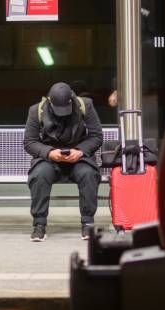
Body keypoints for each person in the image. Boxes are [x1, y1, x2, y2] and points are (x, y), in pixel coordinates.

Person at [23, 82, 103, 241]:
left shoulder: (85, 105)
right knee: (39, 175)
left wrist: (80, 151)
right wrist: (49, 152)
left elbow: (96, 136)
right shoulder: (35, 110)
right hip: (49, 158)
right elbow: (30, 142)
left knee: (88, 174)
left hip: (78, 157)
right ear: (49, 102)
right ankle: (39, 224)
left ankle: (88, 224)